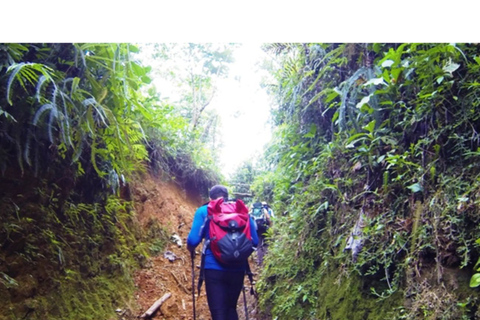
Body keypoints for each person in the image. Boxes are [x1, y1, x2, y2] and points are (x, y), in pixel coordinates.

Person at [187, 185, 259, 320]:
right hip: (237, 268)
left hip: (213, 269)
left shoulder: (204, 211)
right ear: (226, 196)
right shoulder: (240, 211)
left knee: (219, 313)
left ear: (210, 198)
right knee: (231, 309)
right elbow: (254, 241)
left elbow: (192, 241)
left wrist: (190, 249)